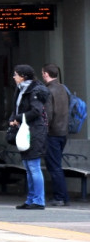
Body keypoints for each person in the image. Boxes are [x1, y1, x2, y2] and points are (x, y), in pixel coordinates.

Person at [9, 65, 50, 209]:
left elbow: (36, 111)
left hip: (35, 132)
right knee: (28, 166)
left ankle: (39, 200)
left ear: (23, 76)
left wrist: (18, 118)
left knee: (33, 166)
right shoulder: (21, 90)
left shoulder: (34, 91)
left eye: (15, 75)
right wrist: (13, 119)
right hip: (26, 131)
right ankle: (31, 199)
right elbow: (16, 108)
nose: (14, 77)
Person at [42, 63, 70, 206]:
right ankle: (64, 196)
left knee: (54, 166)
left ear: (46, 74)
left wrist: (43, 131)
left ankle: (60, 197)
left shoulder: (48, 91)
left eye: (43, 73)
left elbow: (48, 114)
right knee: (57, 165)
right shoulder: (63, 89)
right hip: (63, 132)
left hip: (52, 133)